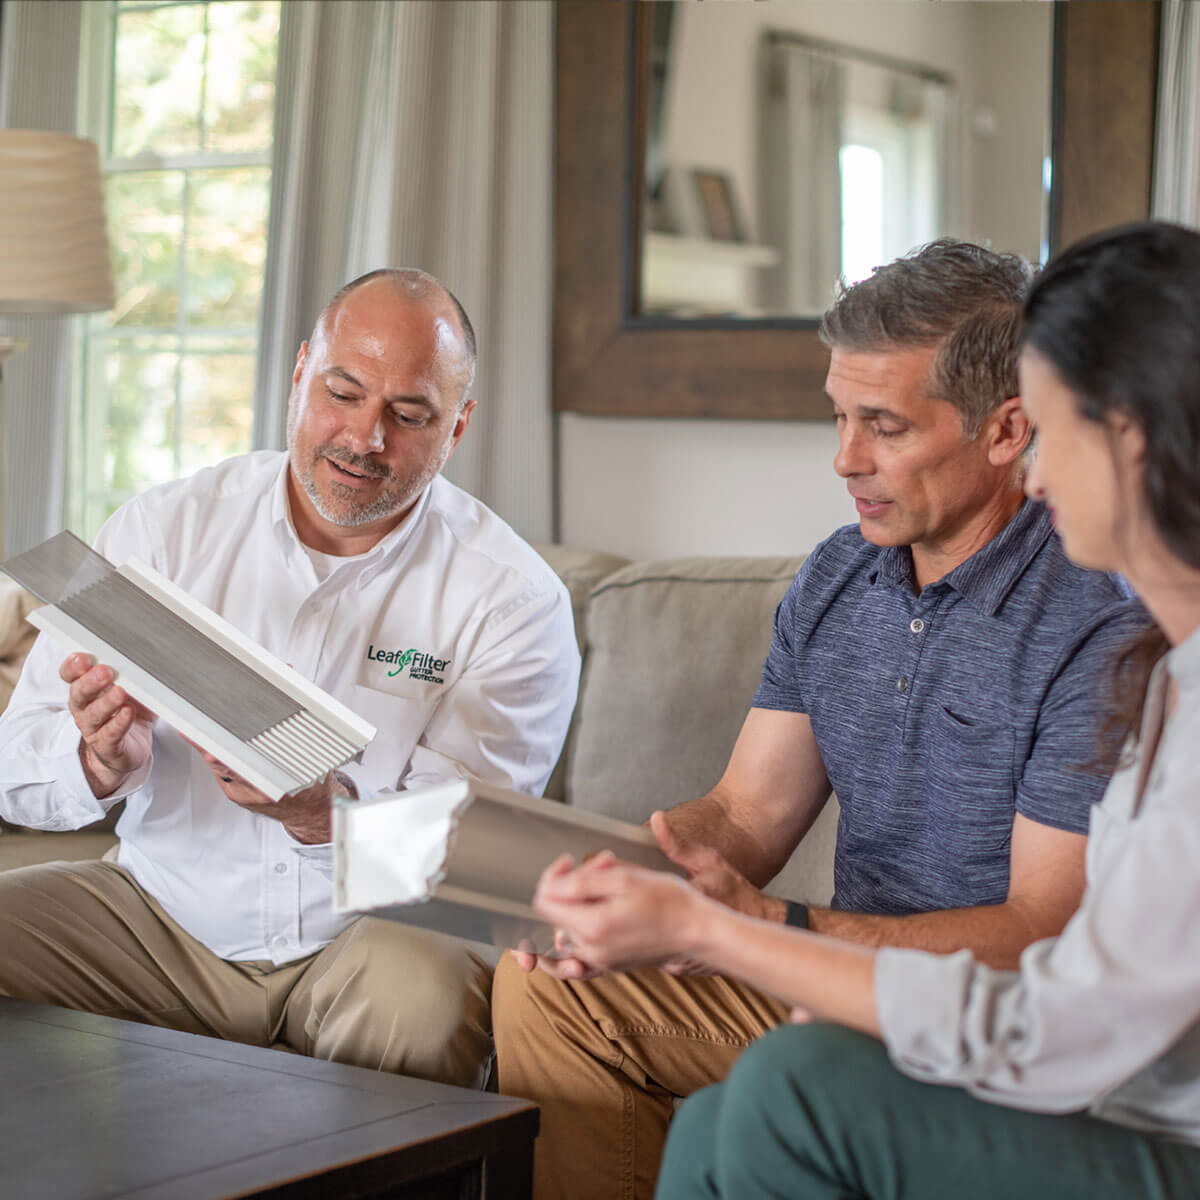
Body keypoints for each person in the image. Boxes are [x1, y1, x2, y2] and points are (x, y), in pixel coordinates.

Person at [531, 220, 1200, 1199]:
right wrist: (624, 889)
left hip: (1098, 1091)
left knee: (795, 1084)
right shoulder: (1169, 671)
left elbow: (1049, 997)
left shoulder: (1115, 638)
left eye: (1052, 431)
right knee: (713, 1109)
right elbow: (746, 812)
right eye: (838, 420)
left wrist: (739, 932)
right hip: (977, 1019)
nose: (844, 461)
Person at [0, 268, 580, 1088]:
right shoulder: (164, 528)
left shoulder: (512, 598)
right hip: (156, 917)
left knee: (426, 1001)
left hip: (369, 936)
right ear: (300, 371)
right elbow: (11, 769)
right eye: (342, 393)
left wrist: (328, 817)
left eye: (408, 415)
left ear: (457, 429)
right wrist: (98, 762)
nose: (364, 437)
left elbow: (466, 860)